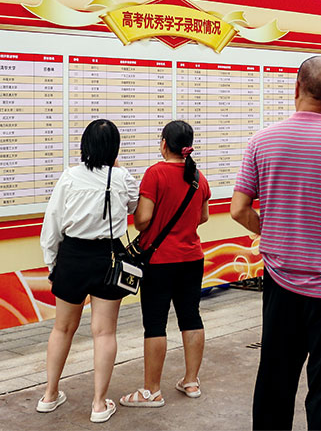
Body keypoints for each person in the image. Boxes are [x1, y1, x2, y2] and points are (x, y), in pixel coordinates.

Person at [231, 56, 321, 430]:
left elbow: (238, 209)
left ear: (296, 87)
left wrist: (271, 230)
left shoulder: (262, 140)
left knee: (275, 380)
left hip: (280, 284)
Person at [38, 119, 140, 423]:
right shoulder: (122, 178)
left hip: (71, 257)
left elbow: (52, 225)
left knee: (62, 328)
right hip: (108, 257)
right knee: (104, 331)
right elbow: (133, 206)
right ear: (115, 148)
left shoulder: (69, 177)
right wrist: (115, 168)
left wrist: (53, 265)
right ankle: (98, 404)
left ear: (84, 146)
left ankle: (49, 395)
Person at [119, 120, 212, 408]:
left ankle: (151, 391)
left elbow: (142, 220)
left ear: (163, 144)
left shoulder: (155, 174)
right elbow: (203, 217)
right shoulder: (198, 177)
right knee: (191, 317)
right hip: (192, 258)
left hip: (159, 261)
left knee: (155, 324)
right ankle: (191, 381)